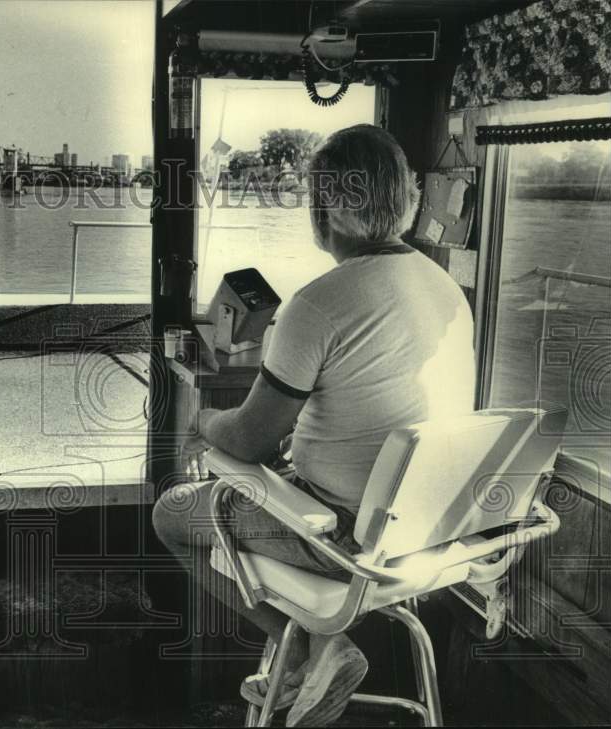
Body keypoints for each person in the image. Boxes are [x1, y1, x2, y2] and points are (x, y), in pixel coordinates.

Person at [153, 124, 476, 726]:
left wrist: (206, 421)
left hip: (345, 544)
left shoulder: (318, 304)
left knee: (172, 513)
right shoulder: (447, 289)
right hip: (434, 537)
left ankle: (315, 643)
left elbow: (250, 439)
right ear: (404, 202)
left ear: (324, 211)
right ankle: (314, 649)